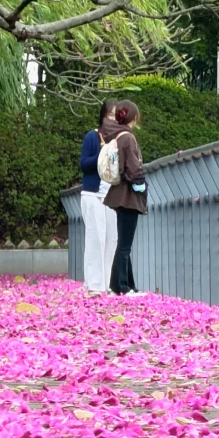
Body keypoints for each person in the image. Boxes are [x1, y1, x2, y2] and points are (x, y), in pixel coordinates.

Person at [102, 101, 147, 295]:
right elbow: (133, 167)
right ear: (134, 118)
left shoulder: (116, 136)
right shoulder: (128, 138)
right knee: (125, 244)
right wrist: (141, 183)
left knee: (123, 242)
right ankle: (120, 286)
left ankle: (127, 285)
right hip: (129, 195)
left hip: (118, 194)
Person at [78, 99, 118, 294]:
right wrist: (101, 154)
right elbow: (84, 164)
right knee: (96, 238)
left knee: (111, 239)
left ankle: (106, 283)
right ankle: (94, 284)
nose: (113, 120)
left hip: (110, 196)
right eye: (110, 115)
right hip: (93, 194)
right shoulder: (92, 137)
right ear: (103, 116)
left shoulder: (118, 140)